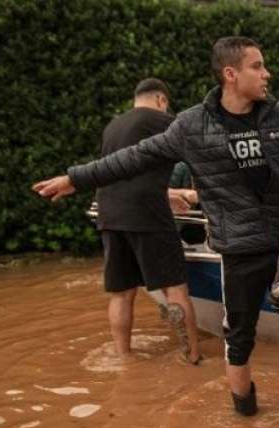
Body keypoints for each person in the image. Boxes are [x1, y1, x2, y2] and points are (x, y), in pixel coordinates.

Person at [33, 37, 279, 416]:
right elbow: (133, 158)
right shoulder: (191, 126)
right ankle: (246, 419)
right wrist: (76, 179)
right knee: (238, 338)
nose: (266, 73)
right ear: (230, 74)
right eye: (257, 66)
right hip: (238, 252)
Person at [86, 77, 202, 365]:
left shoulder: (113, 126)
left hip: (109, 213)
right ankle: (193, 357)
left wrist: (165, 193)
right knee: (175, 288)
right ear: (161, 100)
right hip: (147, 215)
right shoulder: (161, 121)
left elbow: (124, 173)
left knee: (121, 293)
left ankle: (124, 357)